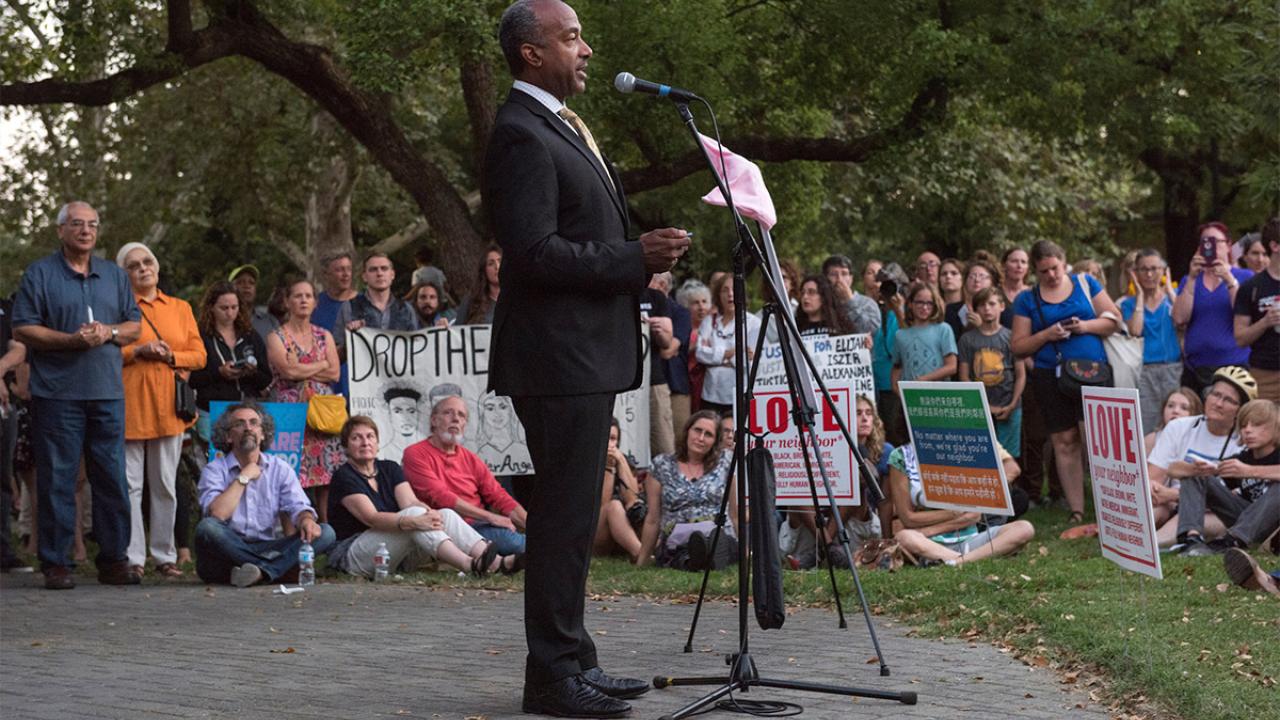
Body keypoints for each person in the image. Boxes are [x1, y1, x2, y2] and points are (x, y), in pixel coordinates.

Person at [484, 1, 691, 712]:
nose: (589, 50)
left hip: (582, 354)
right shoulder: (519, 133)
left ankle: (574, 657)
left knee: (575, 514)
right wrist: (633, 256)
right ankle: (550, 676)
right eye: (571, 37)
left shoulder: (560, 123)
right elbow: (535, 252)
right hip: (555, 357)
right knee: (563, 516)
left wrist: (632, 261)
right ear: (531, 53)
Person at [12, 201, 143, 590]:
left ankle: (114, 560)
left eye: (92, 225)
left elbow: (134, 327)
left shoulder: (114, 276)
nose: (85, 231)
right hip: (57, 394)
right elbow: (23, 328)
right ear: (60, 230)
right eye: (76, 224)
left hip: (107, 393)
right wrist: (71, 340)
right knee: (58, 479)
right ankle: (56, 562)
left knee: (112, 478)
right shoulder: (40, 274)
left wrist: (109, 333)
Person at [327, 415, 522, 578]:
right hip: (352, 555)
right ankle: (470, 565)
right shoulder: (344, 476)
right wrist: (414, 521)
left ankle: (497, 563)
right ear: (346, 446)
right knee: (414, 515)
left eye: (370, 436)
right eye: (356, 438)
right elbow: (371, 518)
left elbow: (410, 502)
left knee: (443, 513)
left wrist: (431, 515)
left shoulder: (389, 468)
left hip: (394, 554)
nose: (365, 442)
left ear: (378, 443)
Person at [1011, 239, 1121, 523]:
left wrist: (1084, 326)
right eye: (1044, 271)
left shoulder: (1085, 283)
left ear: (1064, 261)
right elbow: (1018, 346)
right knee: (1064, 441)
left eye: (1055, 268)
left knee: (1096, 441)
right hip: (1051, 375)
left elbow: (1114, 321)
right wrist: (1047, 335)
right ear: (1036, 271)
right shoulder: (1027, 299)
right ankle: (1076, 509)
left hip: (1092, 372)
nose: (1051, 275)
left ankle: (1109, 506)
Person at [116, 242, 206, 580]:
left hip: (170, 408)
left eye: (148, 261)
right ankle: (133, 557)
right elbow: (109, 350)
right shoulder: (119, 308)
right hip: (131, 406)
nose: (143, 268)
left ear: (156, 266)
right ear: (124, 274)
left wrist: (170, 356)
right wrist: (139, 351)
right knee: (131, 486)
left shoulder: (180, 307)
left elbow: (199, 355)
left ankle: (165, 555)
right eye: (134, 265)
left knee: (166, 483)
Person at [194, 402, 335, 586]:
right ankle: (276, 570)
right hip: (227, 550)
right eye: (239, 424)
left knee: (326, 532)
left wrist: (306, 519)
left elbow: (298, 506)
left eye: (254, 423)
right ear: (228, 436)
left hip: (267, 547)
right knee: (207, 528)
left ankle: (261, 572)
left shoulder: (280, 468)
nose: (248, 428)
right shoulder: (214, 470)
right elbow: (217, 515)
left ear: (262, 434)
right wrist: (244, 476)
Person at [402, 396, 528, 554]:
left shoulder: (470, 458)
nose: (455, 419)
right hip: (446, 527)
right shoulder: (415, 453)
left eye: (461, 415)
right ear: (434, 420)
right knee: (513, 543)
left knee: (524, 539)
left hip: (480, 525)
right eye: (448, 413)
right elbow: (441, 497)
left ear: (464, 424)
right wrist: (491, 517)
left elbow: (498, 495)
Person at [1146, 367, 1250, 552]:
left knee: (1186, 512)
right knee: (1156, 509)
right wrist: (1161, 495)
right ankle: (1130, 536)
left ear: (1239, 411)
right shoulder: (1179, 427)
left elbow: (1230, 500)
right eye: (1215, 394)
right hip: (1169, 501)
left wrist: (1172, 495)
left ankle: (1150, 545)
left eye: (1228, 400)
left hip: (1213, 512)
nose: (1218, 403)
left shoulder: (1244, 443)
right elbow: (1153, 477)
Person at [265, 278, 344, 521]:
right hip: (290, 412)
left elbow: (335, 373)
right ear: (287, 301)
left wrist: (304, 367)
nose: (303, 300)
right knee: (290, 472)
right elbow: (288, 373)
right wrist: (321, 364)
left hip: (322, 413)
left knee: (326, 473)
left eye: (308, 296)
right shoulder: (276, 336)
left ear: (315, 303)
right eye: (297, 296)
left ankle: (327, 528)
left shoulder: (324, 335)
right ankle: (292, 532)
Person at [886, 440, 1034, 565]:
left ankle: (956, 562)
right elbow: (908, 518)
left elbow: (974, 515)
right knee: (904, 537)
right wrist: (954, 514)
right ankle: (970, 559)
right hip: (927, 542)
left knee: (1024, 528)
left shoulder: (964, 448)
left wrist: (929, 529)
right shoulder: (901, 456)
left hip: (967, 539)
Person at [786, 395, 891, 569]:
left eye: (869, 413)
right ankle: (829, 547)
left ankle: (820, 552)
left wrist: (887, 541)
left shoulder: (886, 450)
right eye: (858, 413)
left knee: (856, 487)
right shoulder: (824, 446)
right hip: (816, 518)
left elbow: (884, 499)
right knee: (797, 490)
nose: (865, 418)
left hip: (859, 519)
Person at [1178, 386, 1280, 558]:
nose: (1247, 430)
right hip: (1245, 520)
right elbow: (1175, 470)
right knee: (1196, 475)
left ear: (1276, 427)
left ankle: (1232, 540)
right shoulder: (1241, 458)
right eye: (1244, 425)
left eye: (1256, 424)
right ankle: (1191, 540)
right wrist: (1198, 469)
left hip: (1274, 527)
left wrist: (1250, 471)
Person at [648, 411, 738, 571]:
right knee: (682, 550)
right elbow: (653, 519)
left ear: (715, 441)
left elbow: (734, 514)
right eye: (697, 430)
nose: (701, 438)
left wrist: (744, 552)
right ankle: (694, 560)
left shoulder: (726, 462)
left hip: (717, 531)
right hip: (677, 535)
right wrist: (643, 558)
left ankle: (706, 556)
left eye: (708, 434)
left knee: (720, 542)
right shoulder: (662, 465)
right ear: (687, 431)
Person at [1173, 222, 1253, 394]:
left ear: (1228, 245)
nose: (1211, 246)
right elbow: (1179, 318)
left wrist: (1229, 279)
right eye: (1205, 242)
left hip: (1234, 365)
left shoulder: (1245, 277)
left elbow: (1245, 313)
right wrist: (1192, 279)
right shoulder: (1190, 280)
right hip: (1196, 368)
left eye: (1216, 242)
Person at [189, 281, 273, 434]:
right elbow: (192, 379)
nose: (230, 313)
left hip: (246, 412)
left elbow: (266, 378)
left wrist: (252, 372)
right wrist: (219, 372)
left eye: (234, 307)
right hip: (212, 411)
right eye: (224, 308)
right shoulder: (200, 336)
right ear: (211, 308)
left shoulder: (250, 335)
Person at [958, 287, 1025, 457]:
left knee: (1009, 457)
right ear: (975, 309)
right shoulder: (967, 339)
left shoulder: (1012, 337)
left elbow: (1021, 374)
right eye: (981, 305)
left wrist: (1012, 404)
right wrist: (982, 406)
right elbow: (964, 377)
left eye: (992, 304)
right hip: (979, 409)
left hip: (1009, 406)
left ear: (1002, 306)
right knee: (983, 456)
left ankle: (1010, 485)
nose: (987, 309)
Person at [1121, 249, 1183, 430]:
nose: (1149, 274)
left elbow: (1183, 321)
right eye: (1143, 269)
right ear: (1135, 273)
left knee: (1175, 426)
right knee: (1146, 427)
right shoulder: (1128, 304)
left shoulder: (1174, 297)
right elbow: (1135, 330)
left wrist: (1170, 292)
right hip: (1144, 372)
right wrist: (1140, 297)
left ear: (1164, 271)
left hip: (1173, 369)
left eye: (1155, 269)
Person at [1143, 388, 1208, 543]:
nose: (1175, 411)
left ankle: (1154, 542)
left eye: (1184, 408)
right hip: (1161, 500)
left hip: (1191, 503)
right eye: (1170, 406)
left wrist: (1170, 494)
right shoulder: (1151, 439)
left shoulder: (1198, 437)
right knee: (1153, 510)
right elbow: (1145, 479)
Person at [592, 418, 658, 564]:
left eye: (613, 438)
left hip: (622, 532)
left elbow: (633, 498)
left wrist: (620, 461)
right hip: (594, 532)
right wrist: (608, 469)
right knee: (613, 506)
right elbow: (600, 506)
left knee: (637, 507)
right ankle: (640, 555)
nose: (609, 443)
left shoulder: (624, 460)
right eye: (605, 437)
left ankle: (658, 548)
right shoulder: (587, 462)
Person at [335, 251, 421, 361]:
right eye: (373, 269)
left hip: (399, 377)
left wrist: (441, 331)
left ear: (392, 274)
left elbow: (418, 350)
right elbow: (336, 357)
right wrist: (349, 337)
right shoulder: (349, 307)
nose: (379, 273)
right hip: (364, 376)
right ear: (364, 277)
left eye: (384, 268)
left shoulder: (407, 309)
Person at [696, 273, 761, 416]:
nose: (730, 294)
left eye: (734, 289)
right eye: (725, 290)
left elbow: (750, 362)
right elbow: (700, 353)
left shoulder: (753, 323)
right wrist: (732, 352)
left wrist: (715, 356)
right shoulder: (709, 321)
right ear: (718, 294)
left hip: (738, 393)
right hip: (710, 393)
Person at [1233, 216, 1280, 401]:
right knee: (1262, 426)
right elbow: (1240, 338)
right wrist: (1265, 322)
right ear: (1275, 246)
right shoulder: (1251, 288)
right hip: (1264, 374)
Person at [0, 295, 31, 573]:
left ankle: (3, 551)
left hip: (3, 404)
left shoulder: (6, 307)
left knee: (4, 477)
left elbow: (18, 348)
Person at [891, 281, 957, 393]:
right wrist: (896, 388)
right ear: (910, 304)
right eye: (919, 302)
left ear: (935, 305)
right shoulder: (900, 334)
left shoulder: (943, 329)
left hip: (939, 394)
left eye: (929, 303)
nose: (924, 307)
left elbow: (952, 366)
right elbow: (897, 366)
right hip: (912, 397)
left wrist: (923, 379)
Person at [641, 274, 678, 456]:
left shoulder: (656, 297)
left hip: (654, 380)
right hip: (621, 383)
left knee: (663, 446)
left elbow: (666, 342)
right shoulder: (619, 295)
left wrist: (660, 330)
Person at [822, 254, 881, 335]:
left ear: (851, 278)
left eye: (844, 274)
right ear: (825, 278)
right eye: (833, 274)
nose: (839, 279)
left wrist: (849, 301)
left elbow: (873, 332)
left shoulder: (867, 303)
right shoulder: (820, 303)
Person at [677, 279, 712, 413]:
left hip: (709, 383)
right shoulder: (682, 330)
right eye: (695, 303)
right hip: (688, 383)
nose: (701, 307)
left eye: (704, 301)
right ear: (686, 306)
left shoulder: (715, 328)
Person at [228, 264, 279, 341]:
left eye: (251, 282)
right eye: (240, 282)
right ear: (229, 289)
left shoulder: (271, 321)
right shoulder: (223, 321)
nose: (247, 286)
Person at [312, 251, 356, 334]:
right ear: (326, 274)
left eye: (349, 269)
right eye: (339, 270)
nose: (346, 274)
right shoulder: (315, 304)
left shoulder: (365, 303)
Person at [457, 245, 503, 325]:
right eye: (491, 264)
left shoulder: (518, 300)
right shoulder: (470, 302)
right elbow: (456, 333)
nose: (497, 267)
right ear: (484, 271)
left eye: (500, 261)